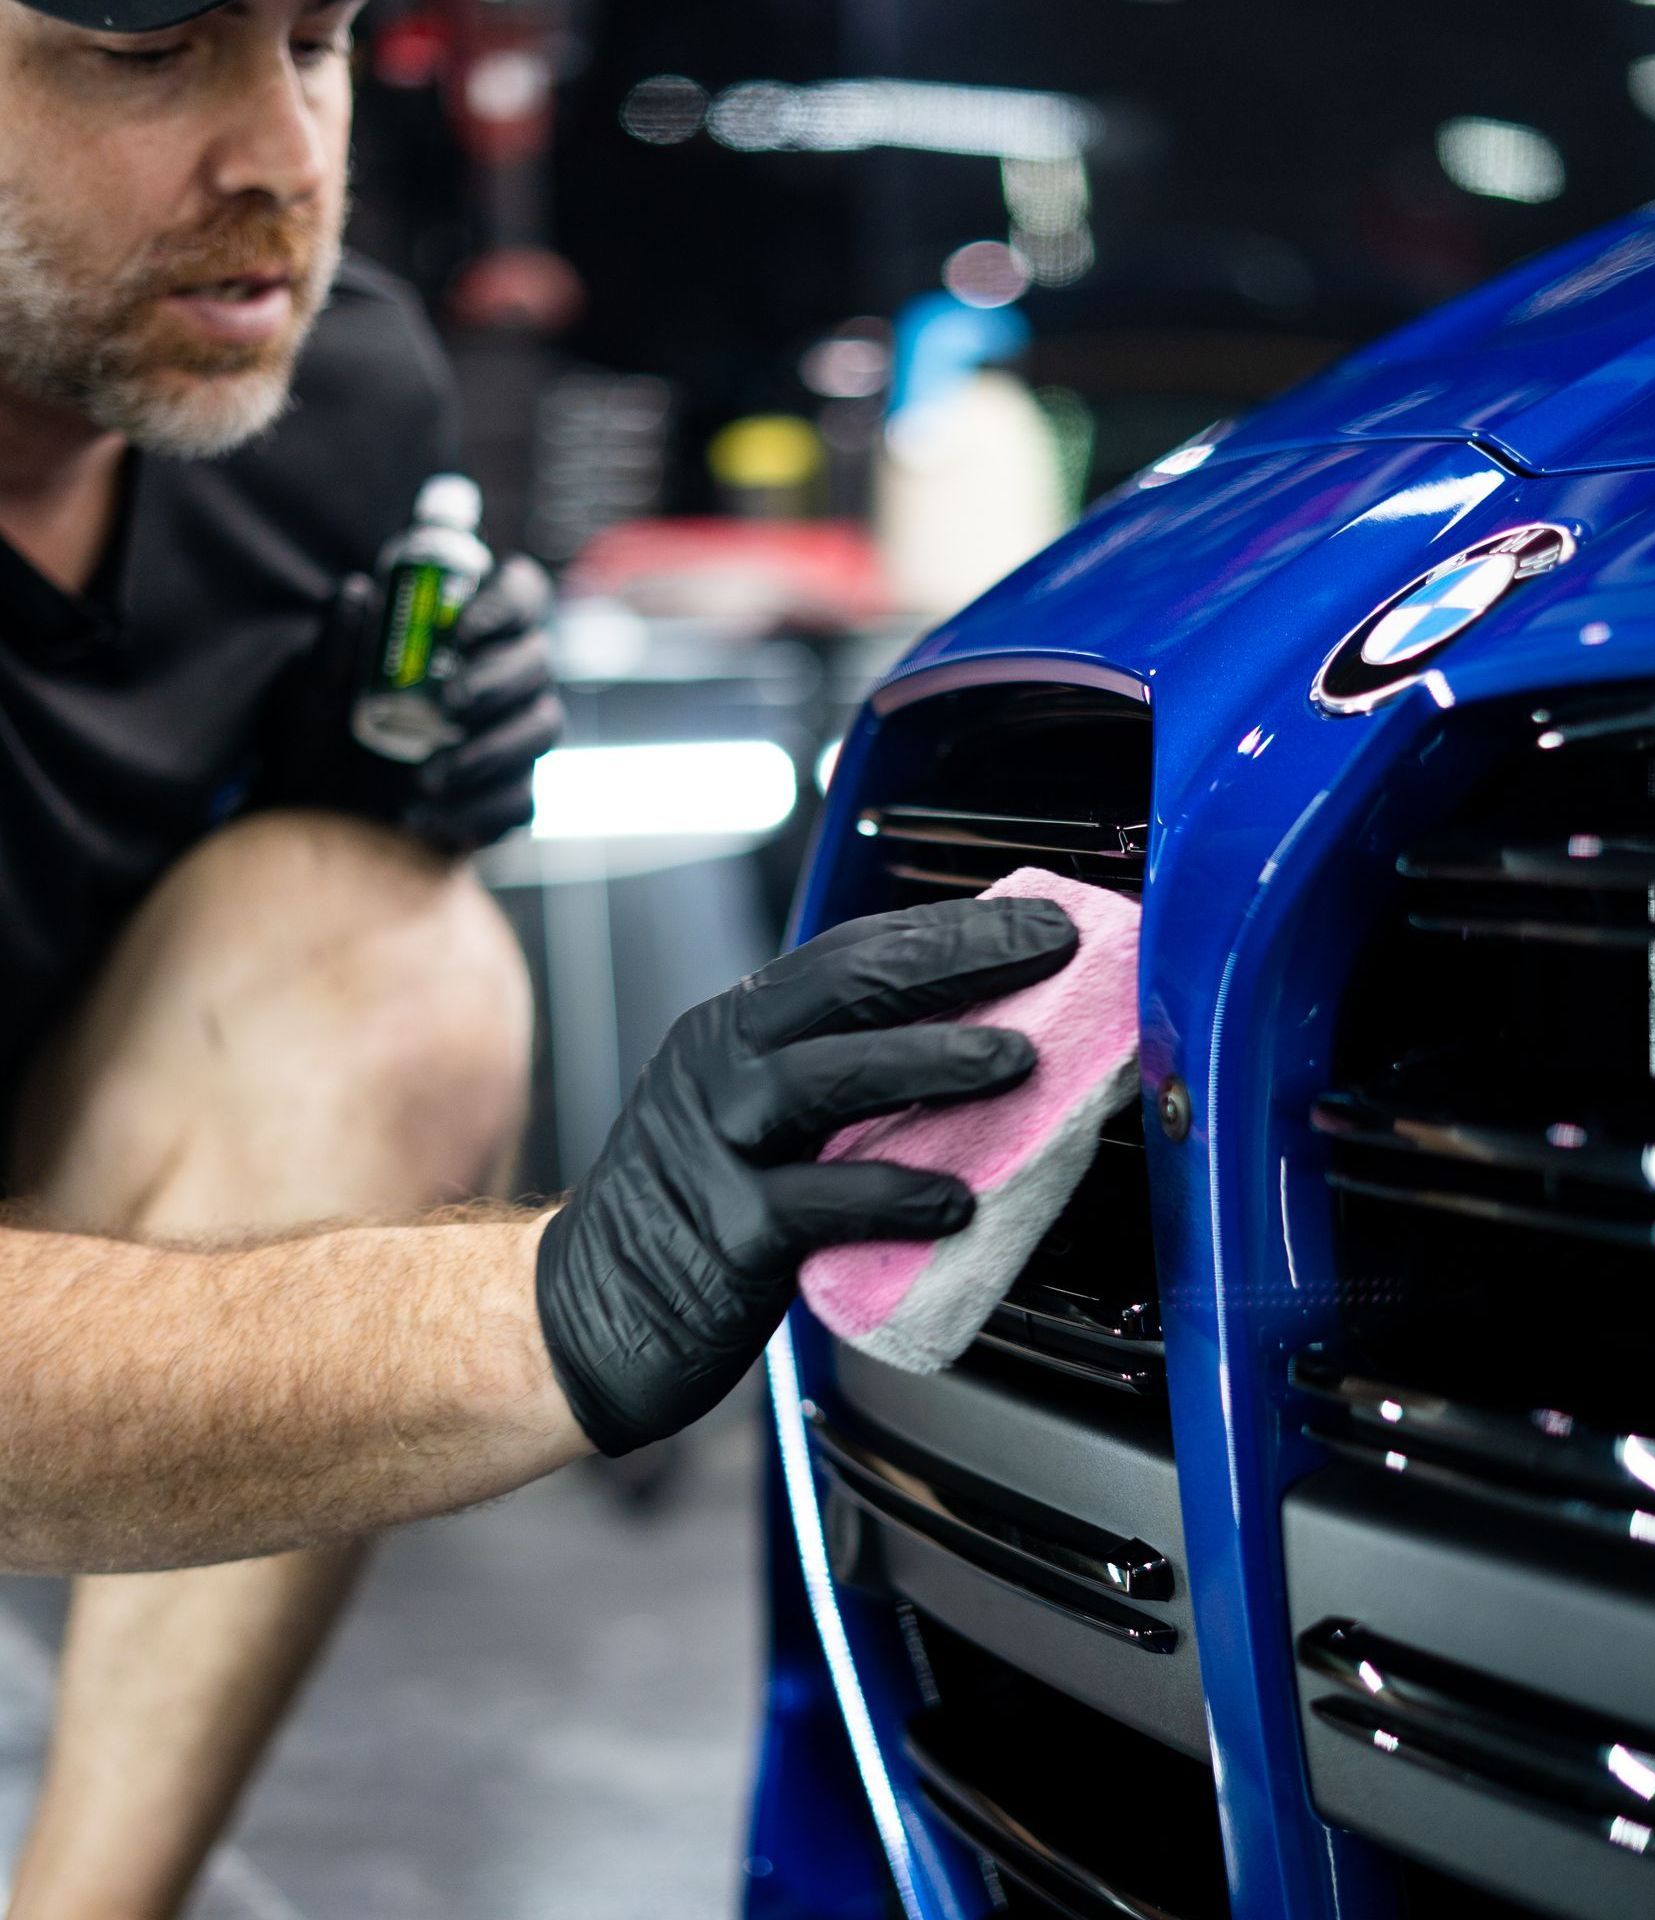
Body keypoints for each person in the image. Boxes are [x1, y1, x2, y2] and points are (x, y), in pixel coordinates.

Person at [0, 0, 1081, 1914]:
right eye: (145, 44)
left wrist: (321, 786)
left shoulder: (330, 408)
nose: (283, 157)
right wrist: (559, 1301)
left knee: (380, 955)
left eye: (316, 40)